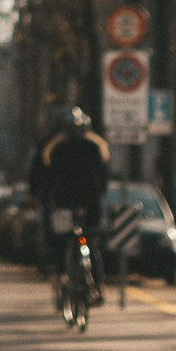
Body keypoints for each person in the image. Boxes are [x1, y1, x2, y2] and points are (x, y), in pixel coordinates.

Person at [36, 108, 109, 300]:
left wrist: (45, 200)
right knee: (91, 244)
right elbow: (103, 181)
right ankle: (98, 285)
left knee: (62, 241)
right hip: (90, 205)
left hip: (64, 204)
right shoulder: (96, 148)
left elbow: (48, 181)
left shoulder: (56, 149)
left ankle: (61, 275)